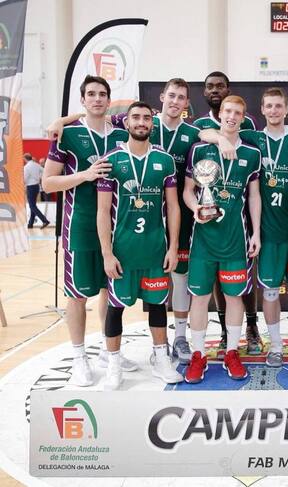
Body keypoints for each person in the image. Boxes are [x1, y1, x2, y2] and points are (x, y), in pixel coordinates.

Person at [199, 87, 288, 367]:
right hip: (268, 232)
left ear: (286, 109)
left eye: (278, 106)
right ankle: (276, 346)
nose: (274, 110)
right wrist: (220, 138)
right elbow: (204, 133)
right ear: (261, 110)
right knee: (271, 292)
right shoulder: (252, 138)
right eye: (268, 106)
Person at [42, 75, 133, 386]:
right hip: (80, 226)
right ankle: (79, 357)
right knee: (78, 295)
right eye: (91, 94)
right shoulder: (67, 135)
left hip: (115, 227)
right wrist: (85, 174)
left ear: (109, 99)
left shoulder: (120, 133)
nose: (97, 99)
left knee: (110, 291)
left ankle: (107, 351)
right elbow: (48, 183)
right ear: (82, 100)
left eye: (102, 94)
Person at [111, 78, 200, 366]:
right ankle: (112, 353)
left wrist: (221, 138)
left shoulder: (193, 132)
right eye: (171, 95)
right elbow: (98, 113)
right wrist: (63, 120)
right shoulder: (144, 120)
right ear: (162, 97)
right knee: (125, 291)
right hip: (136, 218)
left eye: (181, 97)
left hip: (177, 214)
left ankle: (180, 337)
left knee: (179, 276)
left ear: (187, 104)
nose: (175, 101)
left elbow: (211, 135)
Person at [96, 101, 181, 390]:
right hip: (123, 252)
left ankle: (161, 359)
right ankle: (113, 364)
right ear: (127, 122)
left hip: (156, 250)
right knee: (116, 308)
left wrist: (173, 247)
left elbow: (173, 206)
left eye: (146, 118)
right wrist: (107, 253)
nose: (141, 122)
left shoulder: (164, 160)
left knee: (157, 306)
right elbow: (102, 211)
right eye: (136, 117)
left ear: (152, 124)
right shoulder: (111, 160)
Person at [183, 95, 262, 383]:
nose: (231, 116)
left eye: (237, 112)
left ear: (243, 117)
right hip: (203, 240)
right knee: (200, 298)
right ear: (220, 114)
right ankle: (199, 354)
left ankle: (231, 352)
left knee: (234, 297)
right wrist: (196, 209)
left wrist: (256, 232)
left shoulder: (252, 154)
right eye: (227, 111)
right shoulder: (200, 149)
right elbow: (188, 190)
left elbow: (254, 196)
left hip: (235, 240)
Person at [23, 153, 49, 228]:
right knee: (33, 205)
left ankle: (44, 220)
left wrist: (23, 185)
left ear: (25, 159)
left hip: (30, 187)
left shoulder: (26, 167)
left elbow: (25, 178)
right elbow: (44, 171)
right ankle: (30, 224)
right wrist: (39, 177)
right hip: (37, 186)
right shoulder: (37, 165)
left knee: (32, 206)